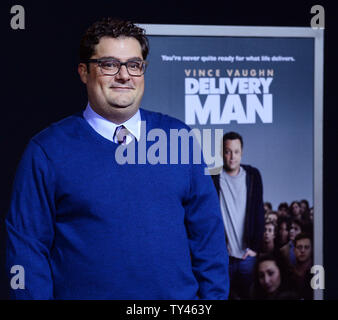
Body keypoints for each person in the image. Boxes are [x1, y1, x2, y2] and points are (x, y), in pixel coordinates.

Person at [5, 18, 229, 300]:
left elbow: (208, 239)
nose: (124, 75)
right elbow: (26, 250)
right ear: (84, 72)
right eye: (110, 64)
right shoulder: (46, 151)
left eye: (134, 65)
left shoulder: (179, 138)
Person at [211, 131, 265, 299]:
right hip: (223, 256)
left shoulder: (253, 176)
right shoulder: (213, 177)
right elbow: (209, 216)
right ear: (222, 153)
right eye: (227, 151)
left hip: (247, 256)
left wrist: (255, 248)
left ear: (242, 153)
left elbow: (258, 212)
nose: (232, 156)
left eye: (236, 152)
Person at [290, 233, 314, 299]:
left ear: (311, 250)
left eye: (306, 247)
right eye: (299, 247)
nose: (302, 251)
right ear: (294, 250)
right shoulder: (288, 273)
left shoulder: (317, 273)